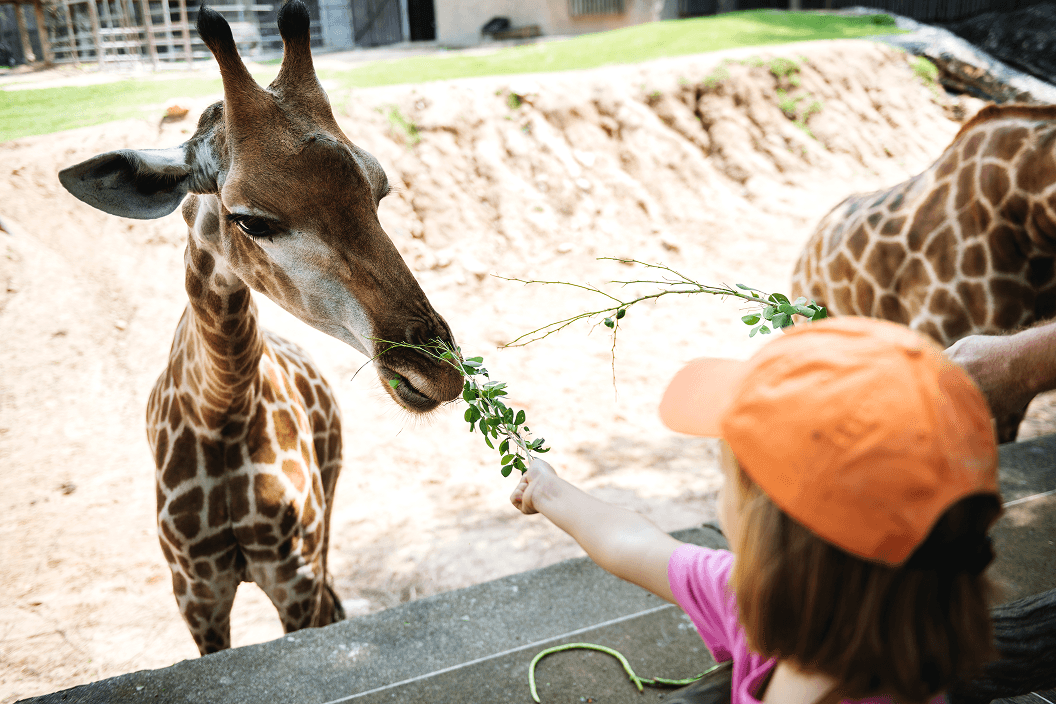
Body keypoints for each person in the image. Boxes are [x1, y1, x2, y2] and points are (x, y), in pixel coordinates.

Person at [511, 316, 1003, 704]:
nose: (718, 494)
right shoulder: (767, 596)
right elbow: (631, 543)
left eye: (728, 481)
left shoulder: (747, 605)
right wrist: (550, 492)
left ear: (774, 533)